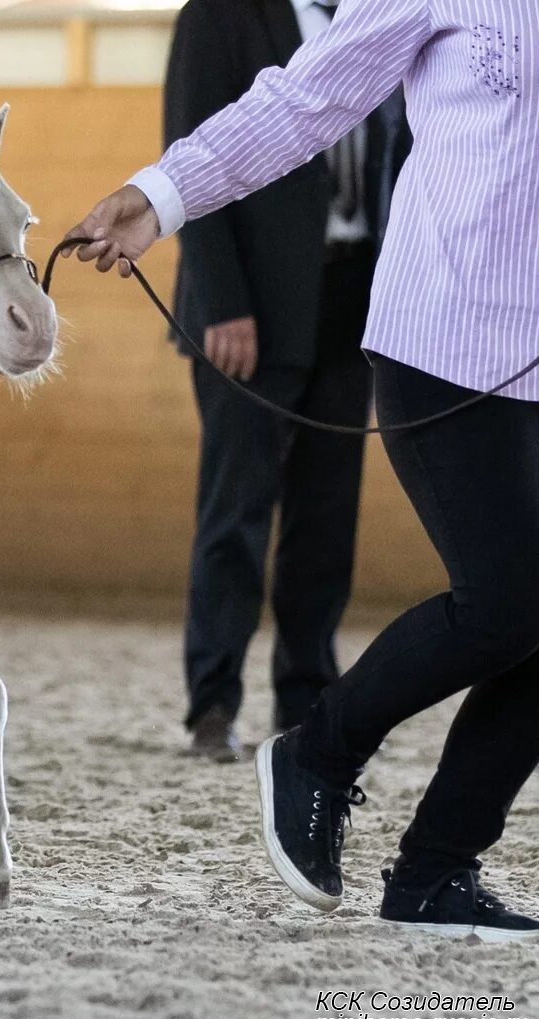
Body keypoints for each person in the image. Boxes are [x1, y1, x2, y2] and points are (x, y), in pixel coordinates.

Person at [68, 0, 539, 940]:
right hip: (443, 337)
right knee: (508, 601)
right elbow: (305, 101)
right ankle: (319, 751)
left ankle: (435, 871)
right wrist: (163, 194)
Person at [163, 0, 410, 761]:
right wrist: (225, 303)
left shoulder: (382, 16)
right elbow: (190, 150)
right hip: (250, 308)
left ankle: (307, 702)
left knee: (326, 518)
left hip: (350, 297)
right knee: (237, 509)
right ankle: (213, 703)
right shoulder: (219, 15)